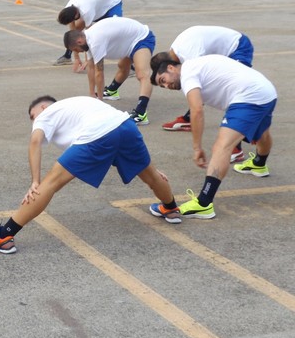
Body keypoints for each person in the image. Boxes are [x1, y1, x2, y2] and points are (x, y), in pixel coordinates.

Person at [0, 95, 181, 254]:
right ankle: (171, 209)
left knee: (49, 184)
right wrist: (147, 165)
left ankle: (4, 236)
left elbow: (34, 142)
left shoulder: (47, 113)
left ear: (43, 108)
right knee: (151, 175)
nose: (34, 121)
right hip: (126, 124)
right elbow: (112, 131)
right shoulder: (80, 105)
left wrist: (35, 181)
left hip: (97, 134)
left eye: (33, 116)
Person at [151, 55, 277, 219]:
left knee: (222, 146)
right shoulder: (196, 65)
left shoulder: (188, 73)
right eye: (163, 86)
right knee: (262, 132)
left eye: (163, 80)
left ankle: (204, 204)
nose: (167, 85)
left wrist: (197, 148)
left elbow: (196, 110)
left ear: (171, 68)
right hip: (266, 92)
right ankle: (259, 164)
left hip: (248, 97)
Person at [152, 25, 254, 164]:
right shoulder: (175, 52)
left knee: (233, 92)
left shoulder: (189, 55)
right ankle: (188, 119)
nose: (167, 86)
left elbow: (199, 85)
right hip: (226, 49)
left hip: (238, 47)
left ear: (169, 66)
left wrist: (196, 112)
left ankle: (236, 148)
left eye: (164, 80)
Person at [64, 17, 155, 125]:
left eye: (75, 50)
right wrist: (92, 94)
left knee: (142, 75)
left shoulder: (95, 40)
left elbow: (99, 73)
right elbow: (91, 67)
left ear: (79, 41)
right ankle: (112, 91)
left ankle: (141, 113)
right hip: (129, 41)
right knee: (122, 66)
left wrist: (100, 102)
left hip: (142, 38)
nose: (77, 53)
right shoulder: (87, 39)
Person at [55, 0, 123, 69]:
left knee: (117, 32)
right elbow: (73, 34)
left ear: (76, 14)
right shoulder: (68, 9)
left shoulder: (86, 11)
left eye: (75, 19)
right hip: (96, 7)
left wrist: (88, 60)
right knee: (77, 30)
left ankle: (131, 64)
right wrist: (76, 58)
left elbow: (89, 36)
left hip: (111, 4)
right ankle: (67, 56)